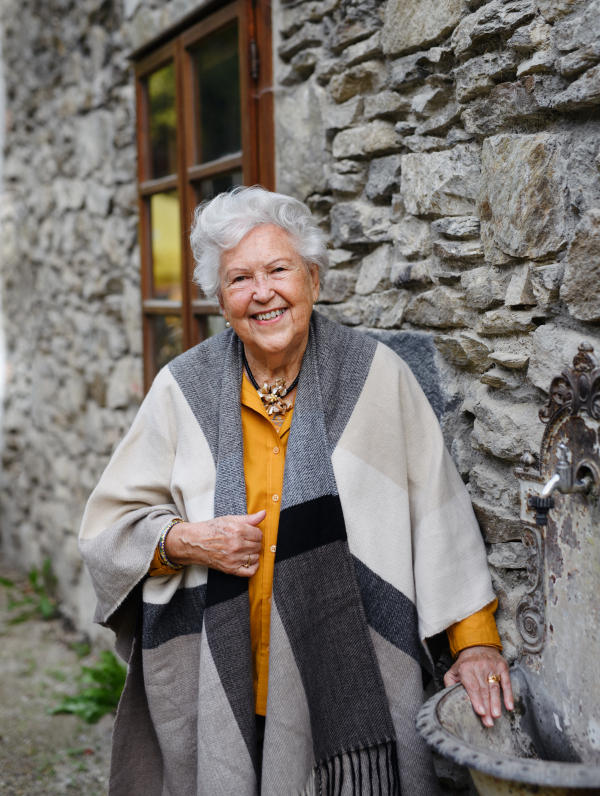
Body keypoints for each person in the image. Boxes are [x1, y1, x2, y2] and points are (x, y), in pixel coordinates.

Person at [80, 186, 513, 796]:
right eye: (239, 279)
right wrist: (185, 542)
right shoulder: (183, 388)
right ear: (221, 300)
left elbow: (437, 516)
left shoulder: (375, 377)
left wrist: (474, 646)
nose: (262, 293)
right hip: (223, 665)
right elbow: (107, 531)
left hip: (346, 664)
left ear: (312, 278)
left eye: (278, 270)